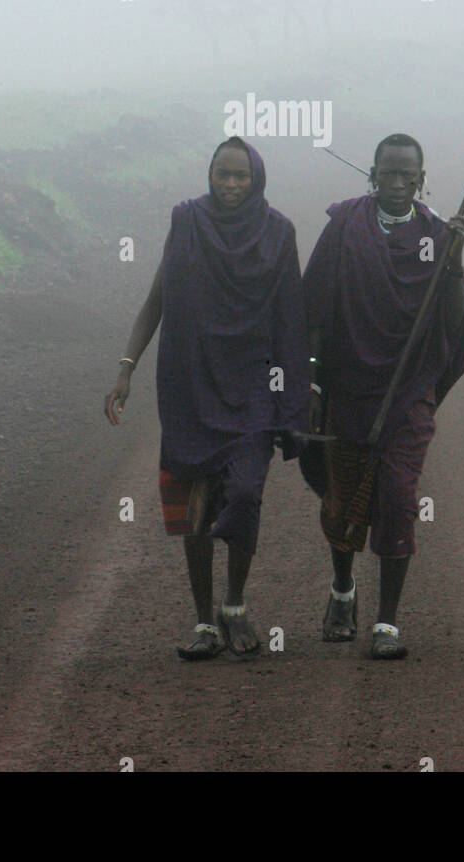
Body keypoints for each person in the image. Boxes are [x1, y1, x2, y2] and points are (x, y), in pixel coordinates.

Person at [104, 137, 307, 660]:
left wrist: (294, 404)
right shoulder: (187, 222)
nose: (232, 185)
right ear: (210, 175)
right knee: (195, 508)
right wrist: (126, 369)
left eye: (241, 176)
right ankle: (203, 623)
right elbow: (157, 301)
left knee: (243, 494)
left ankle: (234, 604)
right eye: (223, 175)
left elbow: (291, 323)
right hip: (190, 385)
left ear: (256, 178)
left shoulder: (279, 233)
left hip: (254, 387)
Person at [302, 133, 464, 660]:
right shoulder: (344, 227)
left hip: (407, 392)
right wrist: (310, 381)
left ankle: (386, 622)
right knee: (344, 496)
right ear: (371, 174)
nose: (398, 183)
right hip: (348, 388)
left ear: (422, 179)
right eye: (388, 173)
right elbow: (312, 307)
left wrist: (454, 263)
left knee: (399, 498)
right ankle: (342, 589)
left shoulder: (436, 236)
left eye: (408, 175)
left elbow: (451, 321)